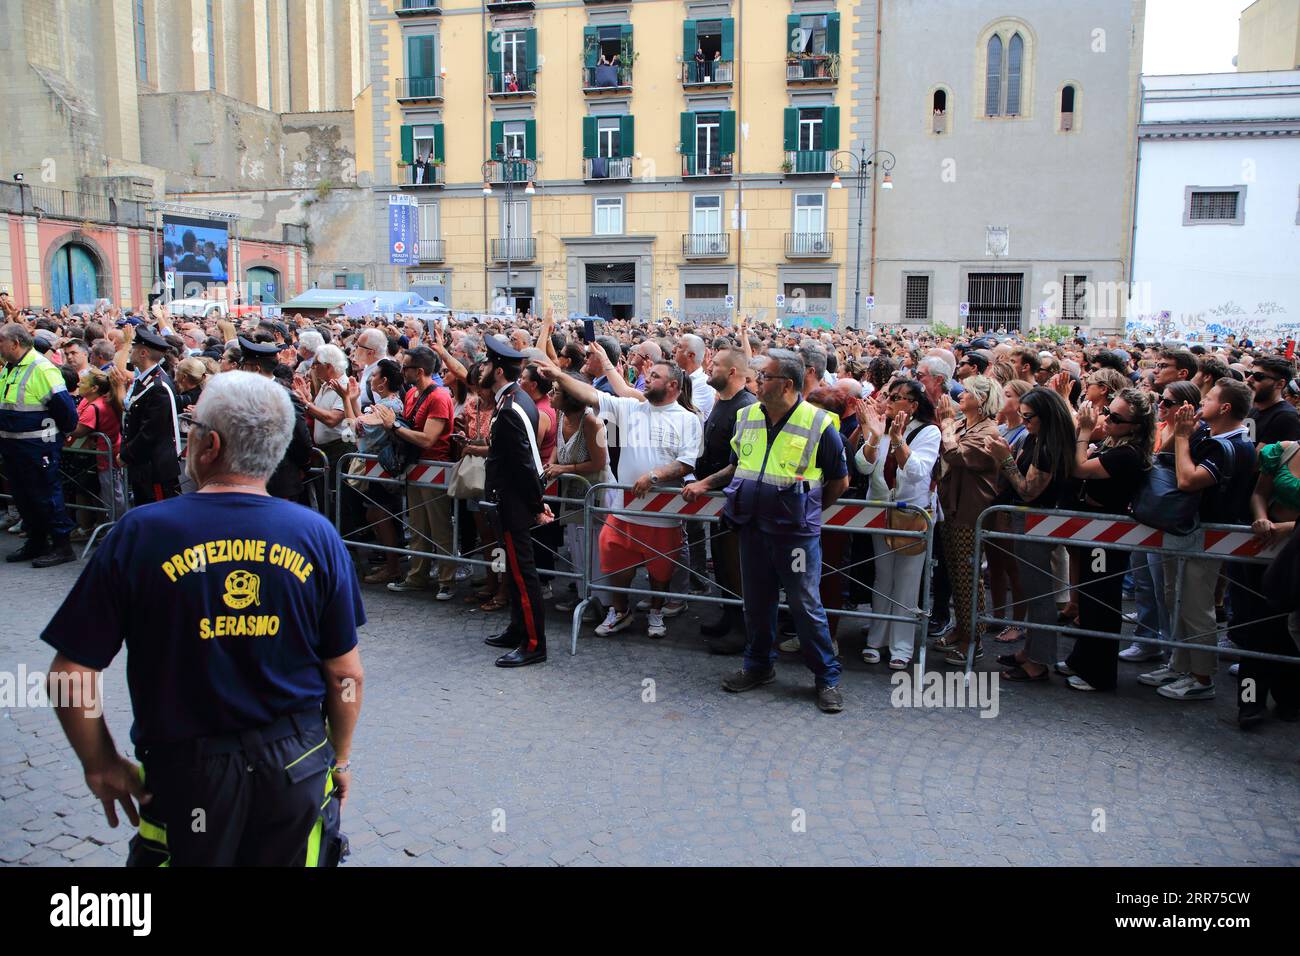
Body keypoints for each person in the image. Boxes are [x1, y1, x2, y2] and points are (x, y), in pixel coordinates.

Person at [41, 371, 365, 866]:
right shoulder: (315, 535)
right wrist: (338, 757)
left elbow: (72, 673)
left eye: (191, 429)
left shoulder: (140, 533)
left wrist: (100, 762)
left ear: (207, 445)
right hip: (295, 764)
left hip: (187, 769)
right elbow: (345, 674)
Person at [684, 349, 849, 714]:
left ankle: (827, 677)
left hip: (794, 535)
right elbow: (736, 466)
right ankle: (758, 666)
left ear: (786, 384)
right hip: (752, 528)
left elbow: (839, 480)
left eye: (764, 377)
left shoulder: (819, 423)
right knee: (757, 604)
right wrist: (705, 483)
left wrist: (809, 511)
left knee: (806, 606)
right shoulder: (746, 417)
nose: (756, 382)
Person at [545, 347, 701, 641]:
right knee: (613, 555)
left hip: (661, 513)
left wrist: (654, 476)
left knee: (660, 569)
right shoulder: (633, 407)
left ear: (673, 387)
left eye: (654, 376)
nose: (646, 379)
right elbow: (592, 395)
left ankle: (656, 611)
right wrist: (558, 376)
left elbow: (686, 463)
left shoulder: (687, 419)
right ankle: (620, 611)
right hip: (625, 508)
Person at [1140, 380, 1255, 701]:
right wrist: (1181, 434)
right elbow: (1163, 459)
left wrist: (1180, 436)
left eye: (1210, 398)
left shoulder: (1233, 445)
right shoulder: (1207, 434)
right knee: (1173, 597)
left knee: (1194, 605)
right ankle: (1179, 663)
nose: (1202, 401)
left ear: (1226, 408)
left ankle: (1202, 676)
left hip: (1208, 535)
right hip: (1186, 530)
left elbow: (1188, 479)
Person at [1062, 389, 1155, 692]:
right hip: (1094, 529)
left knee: (1101, 600)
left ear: (1136, 426)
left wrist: (1085, 432)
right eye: (1108, 413)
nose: (1108, 420)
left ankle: (1099, 672)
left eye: (1116, 417)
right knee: (1089, 598)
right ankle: (1081, 658)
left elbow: (1079, 467)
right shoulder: (1115, 444)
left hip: (1107, 534)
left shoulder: (1128, 454)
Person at [985, 388, 1076, 682]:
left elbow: (1028, 490)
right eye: (1022, 416)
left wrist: (1005, 458)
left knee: (1039, 595)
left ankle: (1039, 661)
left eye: (1028, 417)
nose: (1024, 422)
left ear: (1045, 416)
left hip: (1039, 524)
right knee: (1032, 588)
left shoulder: (1050, 446)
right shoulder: (1037, 438)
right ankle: (1031, 652)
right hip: (1027, 523)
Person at [854, 379, 941, 669]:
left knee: (907, 580)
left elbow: (916, 473)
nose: (889, 400)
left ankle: (901, 645)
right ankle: (876, 639)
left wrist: (898, 439)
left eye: (898, 397)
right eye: (889, 395)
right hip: (881, 509)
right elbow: (863, 466)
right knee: (883, 577)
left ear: (913, 405)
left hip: (911, 513)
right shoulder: (881, 423)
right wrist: (875, 437)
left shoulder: (929, 431)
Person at [481, 336, 554, 667]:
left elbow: (525, 462)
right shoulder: (515, 398)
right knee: (513, 569)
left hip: (514, 502)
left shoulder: (511, 406)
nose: (480, 369)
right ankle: (517, 628)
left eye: (485, 364)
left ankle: (534, 643)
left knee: (523, 573)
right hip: (513, 498)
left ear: (496, 370)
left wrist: (537, 505)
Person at [684, 347, 757, 653]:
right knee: (724, 565)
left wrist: (704, 483)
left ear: (731, 373)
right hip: (718, 500)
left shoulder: (747, 407)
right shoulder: (722, 402)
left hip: (736, 500)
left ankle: (743, 631)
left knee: (736, 565)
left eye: (715, 366)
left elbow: (740, 462)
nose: (708, 368)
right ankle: (728, 616)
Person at [376, 346, 457, 601]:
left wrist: (394, 426)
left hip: (434, 468)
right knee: (418, 526)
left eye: (406, 367)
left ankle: (446, 580)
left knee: (440, 526)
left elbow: (428, 439)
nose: (402, 371)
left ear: (419, 371)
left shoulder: (439, 397)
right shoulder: (411, 393)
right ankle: (417, 576)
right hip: (416, 468)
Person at [933, 375, 1003, 665]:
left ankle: (972, 639)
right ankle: (963, 628)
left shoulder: (988, 431)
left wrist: (947, 423)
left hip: (970, 510)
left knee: (968, 577)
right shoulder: (965, 424)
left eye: (968, 392)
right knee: (955, 572)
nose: (960, 395)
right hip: (952, 506)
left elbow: (955, 453)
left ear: (982, 399)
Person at [0, 323, 79, 566]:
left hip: (38, 448)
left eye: (1, 341)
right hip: (14, 448)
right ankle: (36, 543)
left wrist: (55, 437)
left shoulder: (42, 369)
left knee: (46, 496)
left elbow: (66, 413)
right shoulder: (10, 368)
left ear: (15, 343)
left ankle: (62, 546)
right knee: (25, 498)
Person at [346, 359, 407, 585]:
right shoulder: (384, 403)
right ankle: (390, 563)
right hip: (374, 468)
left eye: (374, 376)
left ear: (383, 382)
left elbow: (356, 427)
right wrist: (352, 400)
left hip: (382, 469)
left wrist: (346, 399)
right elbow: (360, 424)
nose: (370, 379)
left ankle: (393, 567)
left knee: (381, 515)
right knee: (374, 515)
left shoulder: (390, 406)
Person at [237, 335, 314, 502]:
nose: (241, 370)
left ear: (256, 368)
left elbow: (300, 438)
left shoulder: (284, 396)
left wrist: (302, 464)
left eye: (244, 366)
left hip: (278, 479)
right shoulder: (243, 394)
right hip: (247, 477)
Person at [118, 326, 182, 508]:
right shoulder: (146, 381)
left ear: (143, 353)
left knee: (158, 513)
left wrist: (126, 454)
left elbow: (150, 432)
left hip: (154, 467)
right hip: (144, 464)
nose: (130, 352)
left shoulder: (158, 386)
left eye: (133, 349)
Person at [1246, 356, 1300, 446]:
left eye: (1258, 376)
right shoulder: (1254, 409)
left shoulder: (1286, 417)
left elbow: (1257, 457)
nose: (1249, 379)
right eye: (1248, 374)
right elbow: (1246, 442)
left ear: (1280, 384)